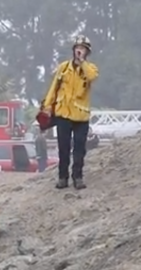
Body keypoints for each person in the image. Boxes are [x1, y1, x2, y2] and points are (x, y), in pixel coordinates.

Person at [41, 34, 99, 190]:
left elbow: (92, 76)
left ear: (87, 52)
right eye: (77, 48)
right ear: (73, 50)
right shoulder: (64, 67)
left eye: (83, 49)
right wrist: (47, 106)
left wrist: (82, 62)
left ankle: (78, 177)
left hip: (81, 116)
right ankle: (63, 177)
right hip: (64, 114)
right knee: (63, 148)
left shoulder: (90, 68)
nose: (79, 51)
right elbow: (54, 86)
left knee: (79, 148)